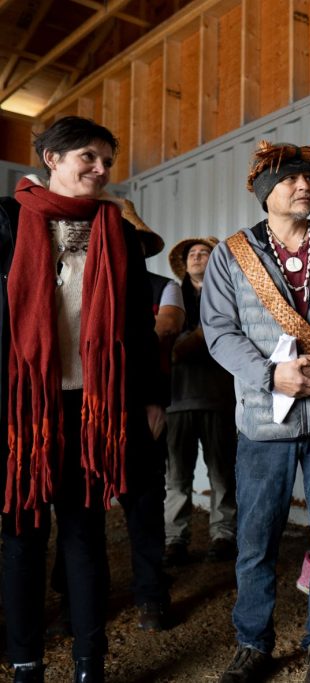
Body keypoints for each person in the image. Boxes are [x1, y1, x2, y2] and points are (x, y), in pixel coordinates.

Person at [0, 116, 166, 682]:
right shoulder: (5, 221)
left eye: (106, 162)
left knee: (85, 534)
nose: (100, 170)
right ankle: (26, 664)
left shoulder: (115, 231)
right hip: (21, 410)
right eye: (88, 158)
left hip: (92, 408)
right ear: (52, 157)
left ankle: (88, 664)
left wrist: (150, 397)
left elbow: (138, 330)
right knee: (22, 536)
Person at [201, 137, 310, 683]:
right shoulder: (231, 254)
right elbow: (219, 332)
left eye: (309, 178)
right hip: (261, 421)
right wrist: (270, 374)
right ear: (265, 192)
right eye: (291, 179)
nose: (304, 186)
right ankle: (253, 643)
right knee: (256, 539)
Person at [164, 236, 238, 566]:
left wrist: (188, 343)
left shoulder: (229, 297)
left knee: (221, 473)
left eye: (204, 252)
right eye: (191, 253)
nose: (196, 256)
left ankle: (223, 536)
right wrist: (199, 338)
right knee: (177, 477)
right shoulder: (171, 297)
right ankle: (174, 539)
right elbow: (166, 344)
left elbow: (232, 339)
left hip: (218, 398)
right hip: (176, 400)